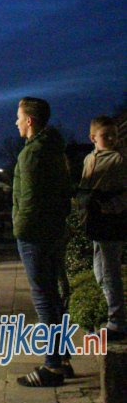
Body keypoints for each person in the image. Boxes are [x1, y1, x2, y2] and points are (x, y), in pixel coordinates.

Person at [12, 97, 72, 387]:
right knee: (54, 296)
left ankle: (52, 367)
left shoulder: (32, 154)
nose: (16, 122)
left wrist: (20, 230)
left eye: (19, 117)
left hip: (35, 234)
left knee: (44, 299)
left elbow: (30, 199)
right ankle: (62, 358)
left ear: (30, 121)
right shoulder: (55, 149)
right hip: (53, 230)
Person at [77, 116, 126, 340]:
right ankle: (110, 312)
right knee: (99, 269)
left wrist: (110, 206)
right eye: (105, 135)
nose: (111, 139)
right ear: (92, 137)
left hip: (110, 221)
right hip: (94, 219)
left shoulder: (118, 160)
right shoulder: (89, 159)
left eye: (113, 135)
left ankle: (116, 321)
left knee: (109, 269)